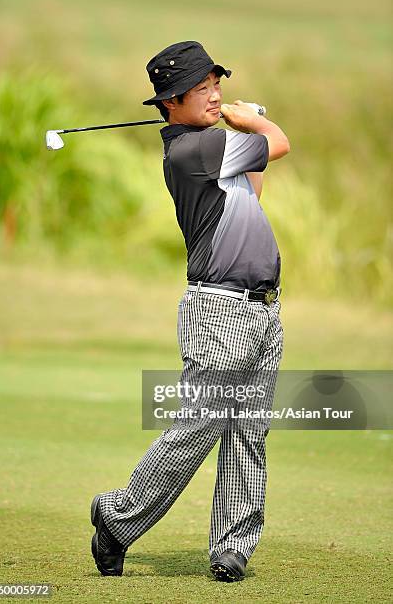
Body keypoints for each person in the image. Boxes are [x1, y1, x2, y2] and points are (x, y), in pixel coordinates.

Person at [90, 41, 290, 583]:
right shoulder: (191, 151)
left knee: (249, 429)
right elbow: (281, 145)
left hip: (263, 308)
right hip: (220, 308)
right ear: (171, 103)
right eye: (201, 90)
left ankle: (232, 547)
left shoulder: (215, 148)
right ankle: (118, 517)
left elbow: (254, 188)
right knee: (200, 424)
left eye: (216, 86)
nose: (214, 96)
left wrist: (244, 126)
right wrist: (252, 121)